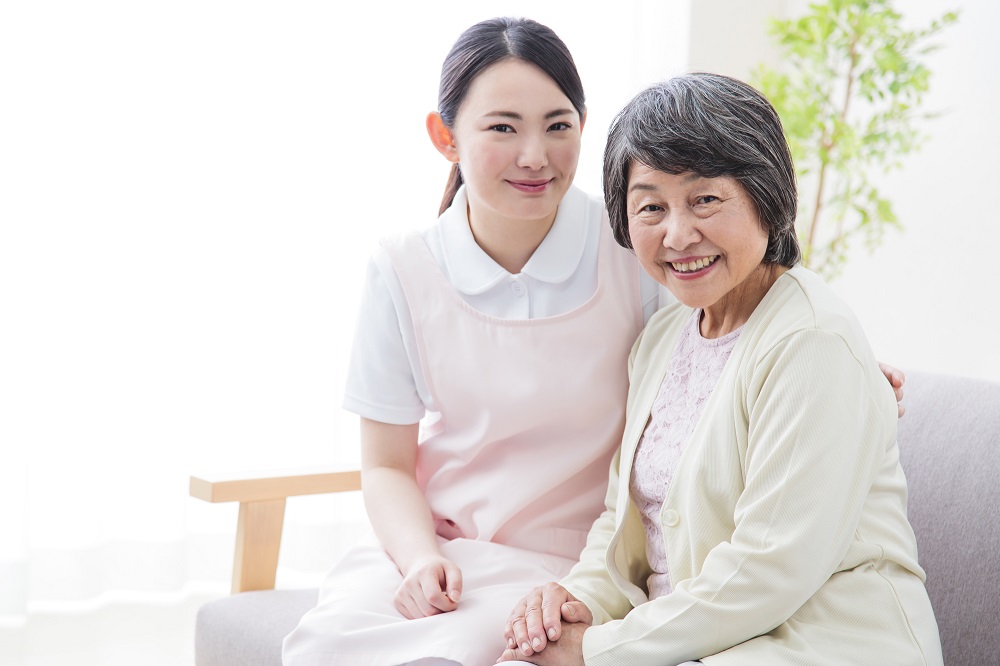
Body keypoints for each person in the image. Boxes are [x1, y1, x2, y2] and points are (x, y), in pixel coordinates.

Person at [283, 17, 906, 666]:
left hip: (578, 562)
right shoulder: (407, 268)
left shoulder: (630, 249)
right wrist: (421, 559)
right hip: (486, 559)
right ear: (446, 137)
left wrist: (852, 370)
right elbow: (386, 462)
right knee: (327, 646)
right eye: (502, 127)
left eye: (557, 125)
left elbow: (761, 322)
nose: (534, 154)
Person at [498, 73, 941, 666]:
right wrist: (575, 605)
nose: (678, 234)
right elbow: (623, 521)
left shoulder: (811, 340)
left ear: (767, 195)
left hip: (817, 642)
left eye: (706, 199)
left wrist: (599, 649)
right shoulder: (661, 337)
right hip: (692, 638)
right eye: (651, 206)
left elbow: (769, 570)